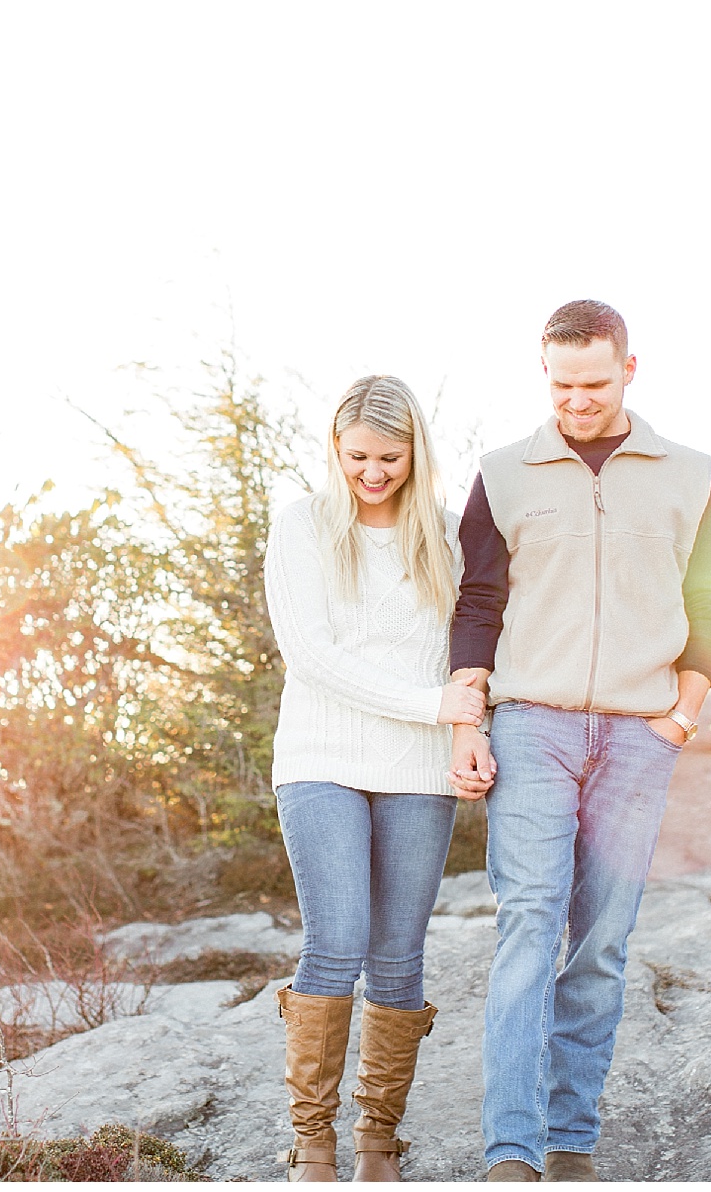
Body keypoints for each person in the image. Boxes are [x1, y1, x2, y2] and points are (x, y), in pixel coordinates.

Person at [448, 301, 711, 1182]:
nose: (576, 400)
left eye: (594, 384)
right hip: (532, 726)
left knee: (601, 940)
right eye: (561, 383)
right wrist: (468, 719)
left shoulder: (688, 473)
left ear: (630, 370)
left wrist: (681, 715)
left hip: (640, 736)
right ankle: (512, 1149)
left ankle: (570, 1141)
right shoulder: (502, 473)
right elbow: (477, 605)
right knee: (528, 926)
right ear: (545, 370)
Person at [264, 375, 488, 1182]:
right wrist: (435, 706)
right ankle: (312, 1143)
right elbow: (313, 657)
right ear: (335, 447)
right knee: (338, 938)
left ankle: (376, 1143)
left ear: (414, 451)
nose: (372, 471)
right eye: (356, 455)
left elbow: (469, 646)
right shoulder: (303, 527)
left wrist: (466, 726)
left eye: (389, 457)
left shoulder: (445, 533)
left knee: (398, 955)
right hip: (322, 759)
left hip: (418, 770)